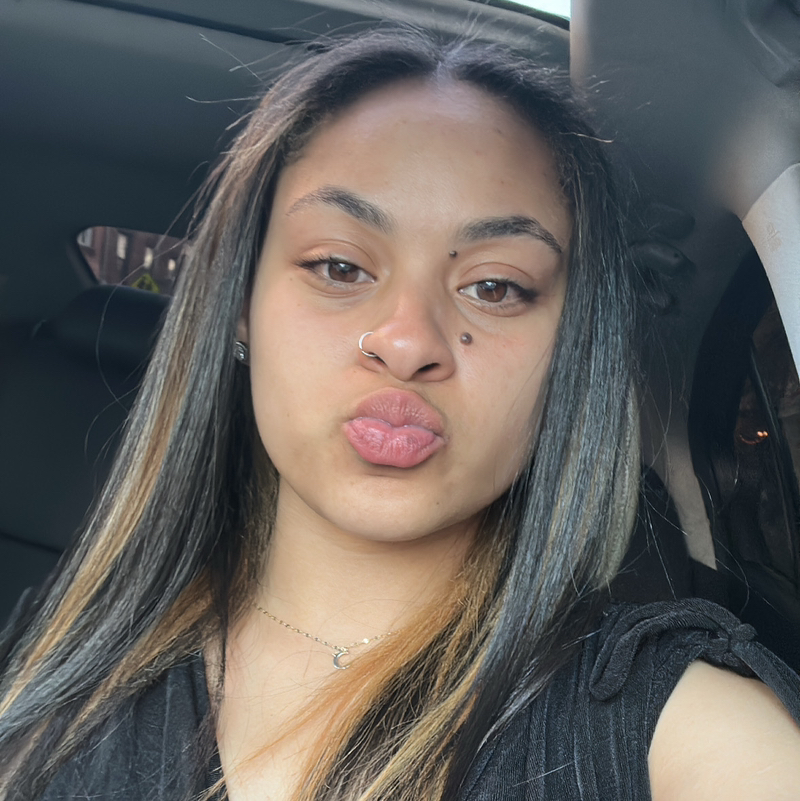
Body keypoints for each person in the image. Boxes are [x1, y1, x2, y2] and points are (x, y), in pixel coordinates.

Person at [0, 28, 799, 801]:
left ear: (571, 352)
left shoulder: (676, 727)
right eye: (339, 266)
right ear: (241, 304)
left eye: (495, 286)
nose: (409, 341)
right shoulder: (57, 665)